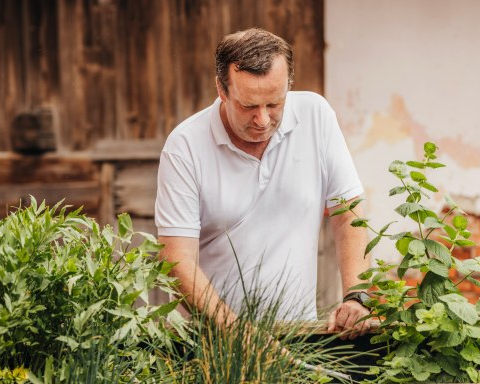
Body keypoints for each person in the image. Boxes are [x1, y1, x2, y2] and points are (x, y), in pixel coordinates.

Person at [155, 28, 371, 339]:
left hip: (302, 333)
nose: (263, 120)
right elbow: (176, 257)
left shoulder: (316, 115)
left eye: (274, 104)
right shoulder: (185, 146)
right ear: (221, 89)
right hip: (212, 340)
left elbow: (348, 211)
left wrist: (357, 296)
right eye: (248, 106)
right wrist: (241, 336)